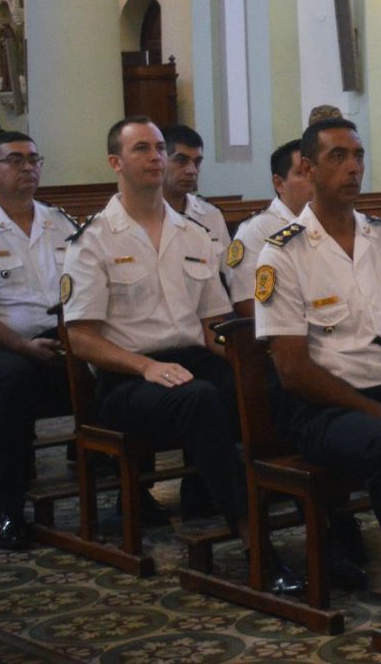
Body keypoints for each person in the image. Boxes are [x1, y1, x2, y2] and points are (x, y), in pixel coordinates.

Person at [62, 117, 302, 591]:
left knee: (275, 386)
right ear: (116, 162)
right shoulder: (92, 239)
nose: (154, 157)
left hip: (191, 360)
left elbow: (214, 325)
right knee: (201, 399)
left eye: (157, 148)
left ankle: (325, 523)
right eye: (141, 150)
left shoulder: (193, 233)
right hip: (127, 378)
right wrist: (146, 366)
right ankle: (254, 538)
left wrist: (252, 365)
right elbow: (82, 338)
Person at [254, 118, 381, 638]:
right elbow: (292, 369)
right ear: (306, 167)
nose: (353, 168)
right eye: (337, 157)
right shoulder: (283, 252)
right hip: (324, 410)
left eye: (358, 156)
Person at [0, 132, 75, 549]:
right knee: (11, 380)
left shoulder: (60, 222)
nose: (29, 168)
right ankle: (10, 509)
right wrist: (20, 346)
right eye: (16, 160)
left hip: (60, 338)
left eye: (34, 159)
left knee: (117, 363)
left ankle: (130, 488)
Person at [224, 140, 312, 316]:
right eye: (302, 173)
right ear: (279, 184)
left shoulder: (333, 222)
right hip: (288, 332)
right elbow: (246, 302)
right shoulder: (256, 230)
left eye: (315, 171)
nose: (313, 179)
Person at [161, 125, 229, 269]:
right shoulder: (148, 215)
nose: (192, 170)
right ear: (160, 161)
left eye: (197, 162)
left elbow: (228, 273)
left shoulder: (211, 215)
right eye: (181, 161)